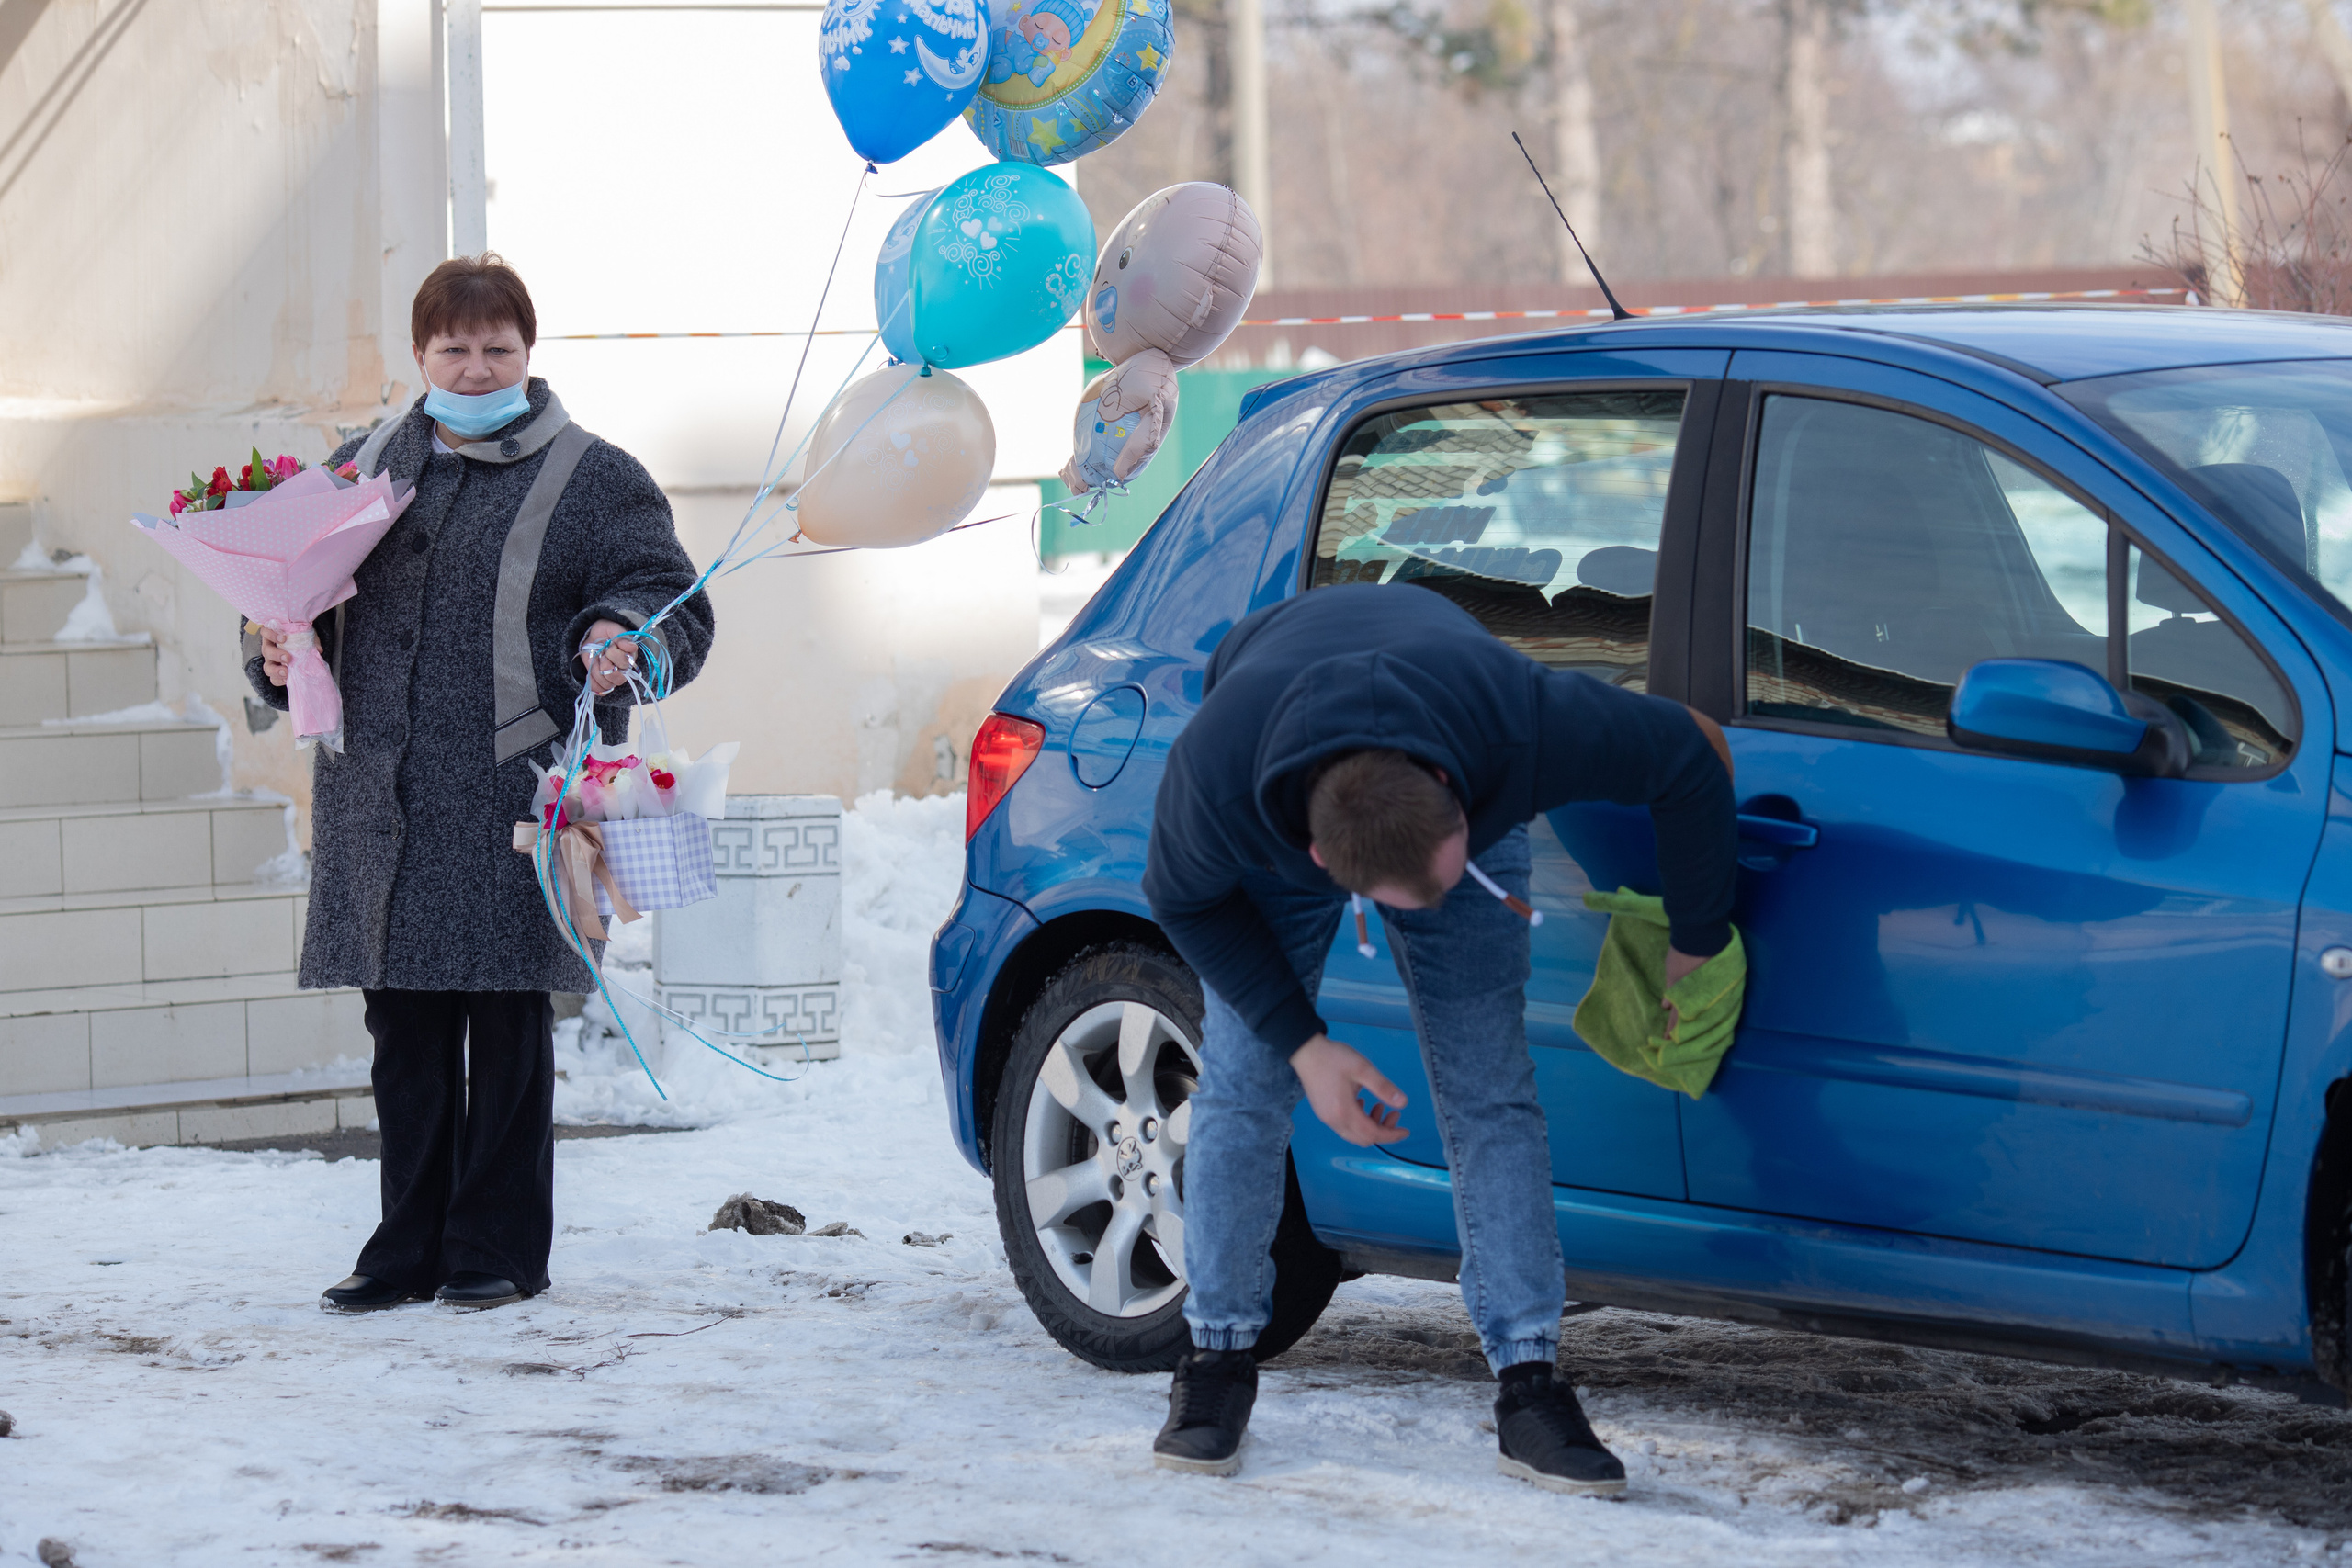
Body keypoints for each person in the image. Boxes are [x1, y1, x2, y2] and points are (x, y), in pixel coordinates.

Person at [1139, 581, 1736, 1495]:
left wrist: (1695, 939)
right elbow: (1181, 900)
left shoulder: (1524, 725)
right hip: (1276, 775)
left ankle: (1530, 1385)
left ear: (1458, 801)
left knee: (1490, 1090)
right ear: (1323, 865)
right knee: (1245, 1081)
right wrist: (1307, 1045)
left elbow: (1694, 751)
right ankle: (1215, 1362)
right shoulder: (1214, 783)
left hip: (1449, 729)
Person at [243, 254, 715, 1314]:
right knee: (404, 1034)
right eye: (452, 347)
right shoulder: (359, 465)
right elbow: (290, 599)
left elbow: (661, 594)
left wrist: (615, 636)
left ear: (527, 354)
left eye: (496, 346)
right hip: (385, 799)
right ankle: (403, 1247)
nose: (473, 364)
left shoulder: (594, 474)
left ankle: (497, 1246)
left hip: (516, 795)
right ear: (419, 354)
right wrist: (273, 646)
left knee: (504, 1029)